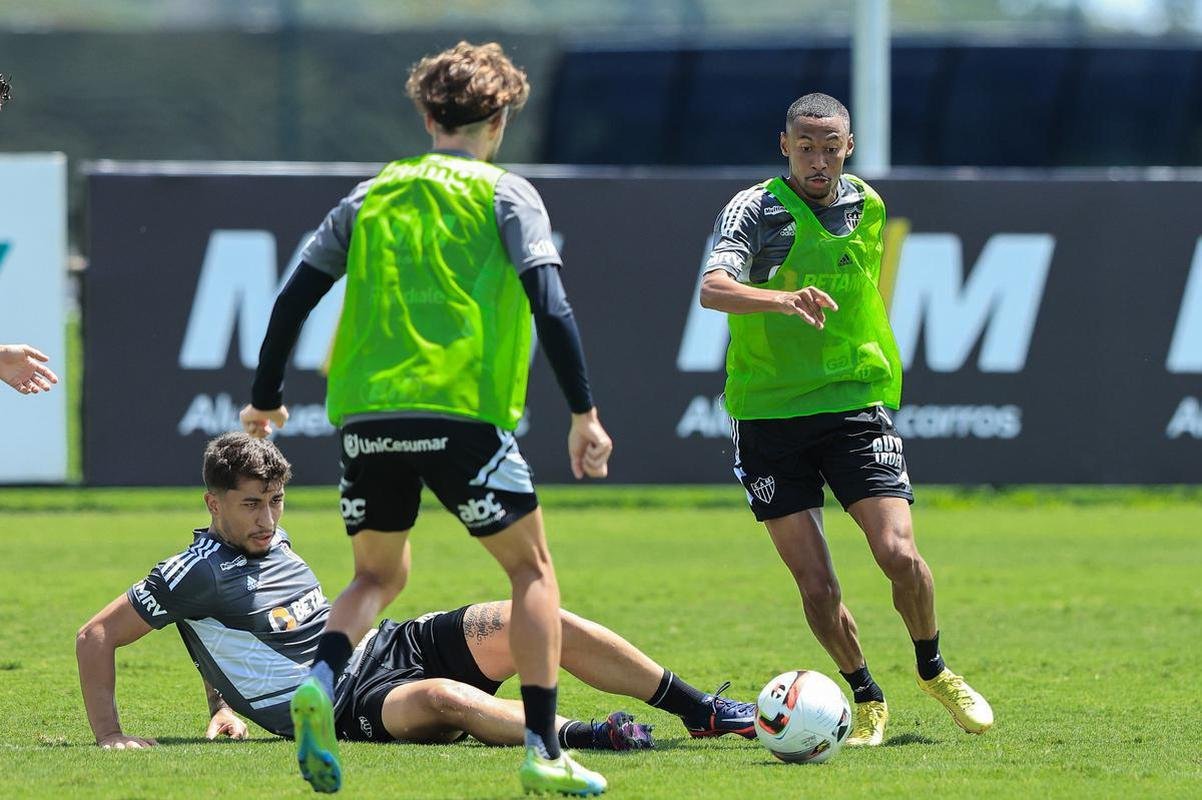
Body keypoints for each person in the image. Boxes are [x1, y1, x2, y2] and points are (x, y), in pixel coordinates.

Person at [240, 41, 622, 795]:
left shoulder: (370, 195)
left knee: (378, 576)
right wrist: (584, 412)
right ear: (502, 115)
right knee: (530, 571)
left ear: (426, 115)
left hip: (366, 415)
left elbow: (293, 297)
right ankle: (544, 751)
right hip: (460, 411)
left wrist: (264, 397)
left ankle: (319, 678)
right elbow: (551, 304)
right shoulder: (507, 193)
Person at [76, 434, 754, 760]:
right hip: (339, 703)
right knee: (441, 701)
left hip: (388, 642)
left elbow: (225, 634)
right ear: (213, 501)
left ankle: (703, 711)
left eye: (277, 502)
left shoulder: (266, 540)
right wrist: (110, 736)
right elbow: (95, 636)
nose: (268, 520)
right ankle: (591, 737)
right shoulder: (193, 567)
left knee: (534, 616)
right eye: (252, 505)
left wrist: (221, 706)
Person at [698, 93, 993, 747]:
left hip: (854, 405)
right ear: (785, 146)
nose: (818, 158)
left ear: (848, 146)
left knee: (900, 555)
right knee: (817, 583)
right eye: (806, 146)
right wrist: (780, 298)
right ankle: (865, 696)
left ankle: (934, 669)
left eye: (831, 146)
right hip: (769, 416)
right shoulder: (756, 209)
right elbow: (713, 288)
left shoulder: (868, 204)